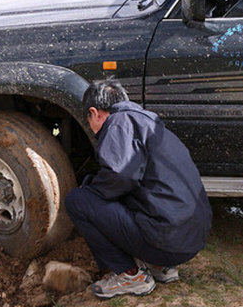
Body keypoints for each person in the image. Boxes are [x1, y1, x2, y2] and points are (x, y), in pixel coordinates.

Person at [65, 80, 212, 300]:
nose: (92, 129)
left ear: (94, 113)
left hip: (168, 241)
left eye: (88, 120)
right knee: (113, 190)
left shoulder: (118, 123)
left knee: (77, 200)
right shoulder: (151, 125)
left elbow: (120, 175)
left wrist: (90, 190)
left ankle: (131, 276)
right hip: (190, 242)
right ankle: (161, 265)